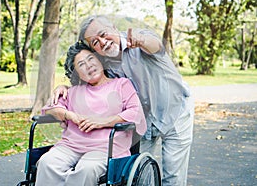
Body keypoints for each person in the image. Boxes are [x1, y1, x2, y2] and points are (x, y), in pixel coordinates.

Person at [52, 15, 194, 186]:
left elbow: (156, 46)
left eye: (103, 34)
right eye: (95, 42)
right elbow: (89, 83)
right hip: (143, 121)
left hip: (175, 112)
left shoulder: (139, 39)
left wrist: (141, 40)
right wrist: (64, 89)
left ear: (113, 26)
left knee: (173, 176)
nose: (103, 42)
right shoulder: (104, 62)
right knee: (139, 176)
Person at [35, 41, 146, 186]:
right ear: (77, 73)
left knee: (87, 169)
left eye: (91, 59)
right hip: (71, 146)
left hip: (106, 148)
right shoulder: (73, 91)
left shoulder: (121, 84)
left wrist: (103, 121)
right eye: (81, 64)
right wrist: (70, 115)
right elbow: (50, 109)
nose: (88, 66)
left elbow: (135, 112)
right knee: (47, 162)